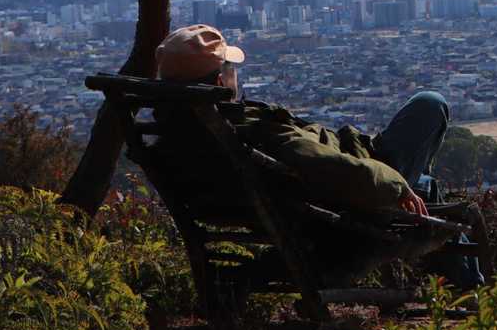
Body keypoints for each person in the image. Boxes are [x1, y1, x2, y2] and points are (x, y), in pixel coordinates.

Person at [152, 22, 453, 230]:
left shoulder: (180, 135)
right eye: (230, 67)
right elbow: (326, 165)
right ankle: (469, 282)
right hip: (356, 184)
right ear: (220, 82)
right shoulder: (249, 130)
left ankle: (468, 281)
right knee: (430, 104)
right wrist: (397, 185)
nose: (235, 74)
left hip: (323, 191)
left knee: (426, 186)